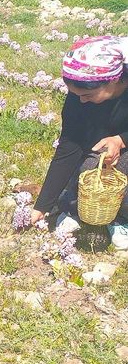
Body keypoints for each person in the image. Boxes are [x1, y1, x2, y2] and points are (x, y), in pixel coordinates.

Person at [31, 36, 128, 249]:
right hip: (100, 145)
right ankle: (72, 205)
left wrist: (121, 139)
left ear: (113, 80)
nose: (81, 101)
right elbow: (69, 145)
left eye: (88, 95)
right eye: (76, 95)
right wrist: (42, 205)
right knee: (90, 169)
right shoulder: (79, 95)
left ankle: (122, 218)